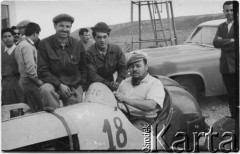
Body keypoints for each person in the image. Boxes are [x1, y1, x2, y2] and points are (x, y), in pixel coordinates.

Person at [38, 13, 88, 110]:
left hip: (74, 84)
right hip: (53, 84)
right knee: (45, 90)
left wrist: (81, 86)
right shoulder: (44, 44)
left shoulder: (78, 45)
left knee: (74, 115)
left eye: (68, 26)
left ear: (71, 28)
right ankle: (53, 118)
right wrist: (59, 84)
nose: (65, 29)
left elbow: (84, 68)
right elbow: (42, 70)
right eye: (61, 26)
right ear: (55, 26)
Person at [114, 53, 165, 129]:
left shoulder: (154, 83)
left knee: (130, 135)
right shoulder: (125, 82)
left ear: (146, 67)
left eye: (138, 66)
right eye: (131, 66)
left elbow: (150, 105)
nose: (134, 69)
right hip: (122, 116)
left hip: (145, 120)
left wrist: (125, 99)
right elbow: (116, 100)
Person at [87, 22, 127, 91]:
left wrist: (118, 82)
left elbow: (123, 67)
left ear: (108, 36)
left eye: (105, 37)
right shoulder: (89, 53)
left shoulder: (117, 50)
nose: (102, 40)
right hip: (94, 86)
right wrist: (109, 84)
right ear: (94, 38)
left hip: (112, 84)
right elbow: (92, 75)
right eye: (99, 37)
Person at [213, 1, 237, 119]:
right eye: (227, 10)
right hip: (225, 66)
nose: (229, 13)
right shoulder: (221, 26)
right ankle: (234, 118)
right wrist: (231, 40)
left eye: (232, 10)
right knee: (231, 94)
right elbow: (215, 43)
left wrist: (223, 41)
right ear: (223, 11)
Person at [15, 22, 43, 113]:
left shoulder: (21, 44)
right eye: (38, 34)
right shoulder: (27, 46)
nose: (38, 36)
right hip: (30, 81)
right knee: (40, 109)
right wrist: (39, 82)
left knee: (33, 109)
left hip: (24, 80)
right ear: (35, 33)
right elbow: (31, 69)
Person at [1, 28, 23, 105]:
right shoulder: (1, 53)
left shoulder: (20, 50)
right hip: (6, 85)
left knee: (22, 106)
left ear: (13, 37)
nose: (8, 38)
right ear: (2, 39)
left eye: (9, 36)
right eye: (5, 37)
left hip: (19, 82)